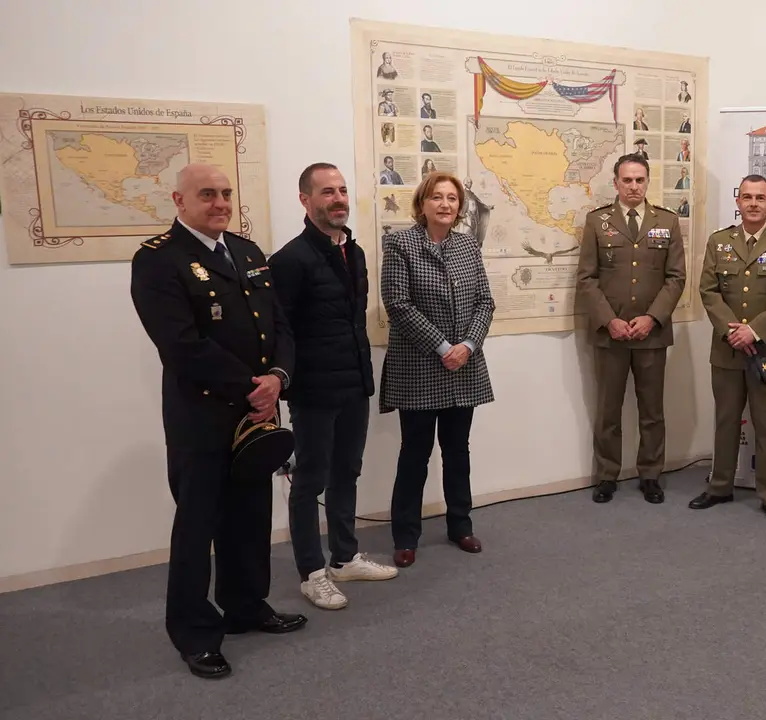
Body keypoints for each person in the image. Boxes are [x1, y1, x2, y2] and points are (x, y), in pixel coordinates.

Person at [130, 163, 306, 679]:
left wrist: (278, 377)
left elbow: (279, 325)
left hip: (257, 411)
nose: (220, 203)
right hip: (201, 417)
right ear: (179, 201)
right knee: (198, 524)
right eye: (207, 194)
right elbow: (180, 344)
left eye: (226, 193)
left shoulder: (247, 252)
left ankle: (246, 607)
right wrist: (253, 388)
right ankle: (194, 632)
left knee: (250, 516)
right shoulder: (158, 259)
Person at [268, 163, 398, 611]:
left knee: (347, 472)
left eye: (342, 190)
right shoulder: (289, 260)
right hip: (313, 391)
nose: (338, 199)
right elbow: (279, 331)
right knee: (309, 481)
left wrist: (363, 378)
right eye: (327, 192)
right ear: (305, 200)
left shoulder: (354, 252)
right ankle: (312, 572)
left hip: (353, 384)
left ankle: (344, 558)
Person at [381, 171, 496, 568]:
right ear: (422, 203)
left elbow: (485, 302)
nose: (445, 204)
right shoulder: (400, 244)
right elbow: (398, 304)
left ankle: (460, 525)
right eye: (437, 197)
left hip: (463, 367)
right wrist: (444, 347)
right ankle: (405, 535)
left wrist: (468, 345)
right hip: (418, 368)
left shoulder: (467, 246)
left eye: (452, 198)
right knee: (414, 454)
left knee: (457, 452)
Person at [691, 174, 766, 524]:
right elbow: (709, 291)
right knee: (726, 421)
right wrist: (733, 331)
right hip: (727, 350)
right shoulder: (719, 242)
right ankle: (720, 486)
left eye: (760, 197)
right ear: (738, 201)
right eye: (747, 197)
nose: (753, 203)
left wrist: (754, 331)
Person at [575, 153, 687, 504]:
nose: (634, 186)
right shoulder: (597, 221)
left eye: (640, 180)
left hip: (651, 334)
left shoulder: (667, 221)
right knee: (608, 411)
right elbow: (587, 278)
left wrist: (652, 318)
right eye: (627, 180)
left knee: (652, 411)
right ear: (616, 183)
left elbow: (676, 277)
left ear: (647, 182)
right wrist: (610, 320)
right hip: (610, 334)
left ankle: (650, 474)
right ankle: (607, 475)